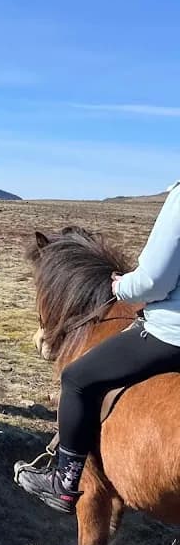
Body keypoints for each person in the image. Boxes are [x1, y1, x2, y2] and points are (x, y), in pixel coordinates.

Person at [15, 183, 180, 513]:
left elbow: (154, 281)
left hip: (171, 335)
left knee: (77, 379)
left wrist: (122, 286)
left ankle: (64, 481)